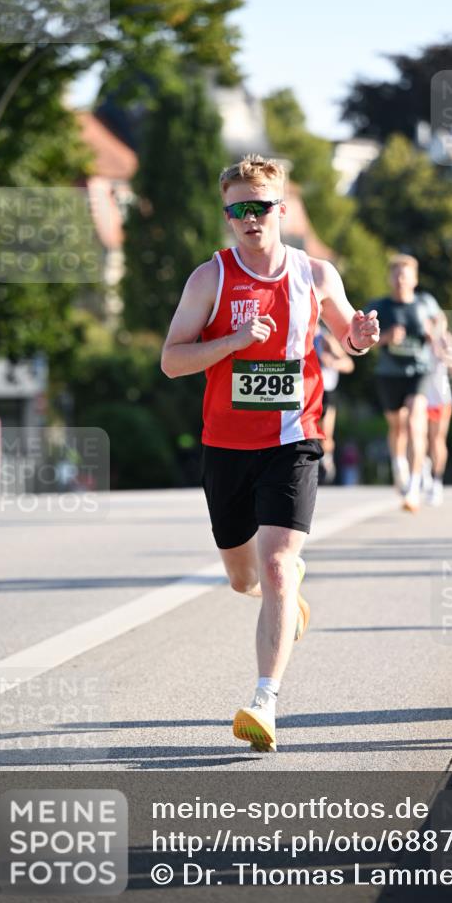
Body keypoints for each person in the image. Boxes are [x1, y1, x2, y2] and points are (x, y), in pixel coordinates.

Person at [160, 154, 379, 752]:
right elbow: (172, 360)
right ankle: (284, 593)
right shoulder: (210, 278)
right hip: (227, 445)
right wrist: (233, 341)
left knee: (277, 563)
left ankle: (265, 702)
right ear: (228, 215)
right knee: (243, 579)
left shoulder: (315, 274)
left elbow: (348, 334)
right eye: (238, 210)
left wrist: (360, 337)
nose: (250, 219)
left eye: (260, 207)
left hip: (294, 437)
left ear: (281, 208)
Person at [367, 253, 441, 512]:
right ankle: (399, 464)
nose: (400, 280)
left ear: (414, 279)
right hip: (389, 374)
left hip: (419, 371)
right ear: (390, 278)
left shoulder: (425, 303)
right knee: (397, 427)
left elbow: (441, 323)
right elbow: (364, 341)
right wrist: (386, 337)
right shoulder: (379, 306)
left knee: (415, 422)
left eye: (405, 276)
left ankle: (414, 486)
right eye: (396, 275)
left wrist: (434, 334)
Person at [421, 311, 452, 505]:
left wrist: (444, 353)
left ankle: (436, 481)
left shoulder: (446, 339)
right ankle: (422, 470)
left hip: (440, 397)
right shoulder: (418, 337)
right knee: (418, 437)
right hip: (418, 395)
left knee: (437, 440)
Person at [313, 324, 354, 483]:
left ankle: (326, 460)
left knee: (325, 435)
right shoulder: (296, 334)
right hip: (303, 390)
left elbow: (348, 364)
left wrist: (332, 362)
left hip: (326, 390)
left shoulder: (325, 338)